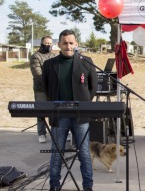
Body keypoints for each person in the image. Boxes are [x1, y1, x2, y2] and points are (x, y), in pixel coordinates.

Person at [42, 29, 98, 191]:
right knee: (57, 153)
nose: (68, 46)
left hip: (81, 116)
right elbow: (46, 88)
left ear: (76, 44)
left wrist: (84, 103)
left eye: (71, 43)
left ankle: (88, 186)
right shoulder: (49, 65)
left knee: (84, 153)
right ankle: (54, 185)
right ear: (58, 44)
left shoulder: (86, 62)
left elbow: (92, 87)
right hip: (59, 116)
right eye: (64, 43)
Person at [29, 36, 56, 143]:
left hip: (54, 89)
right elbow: (38, 74)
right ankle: (41, 133)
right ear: (41, 44)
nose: (48, 45)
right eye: (46, 43)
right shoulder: (35, 56)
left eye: (50, 43)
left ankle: (55, 132)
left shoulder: (54, 56)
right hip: (41, 89)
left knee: (54, 111)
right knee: (41, 111)